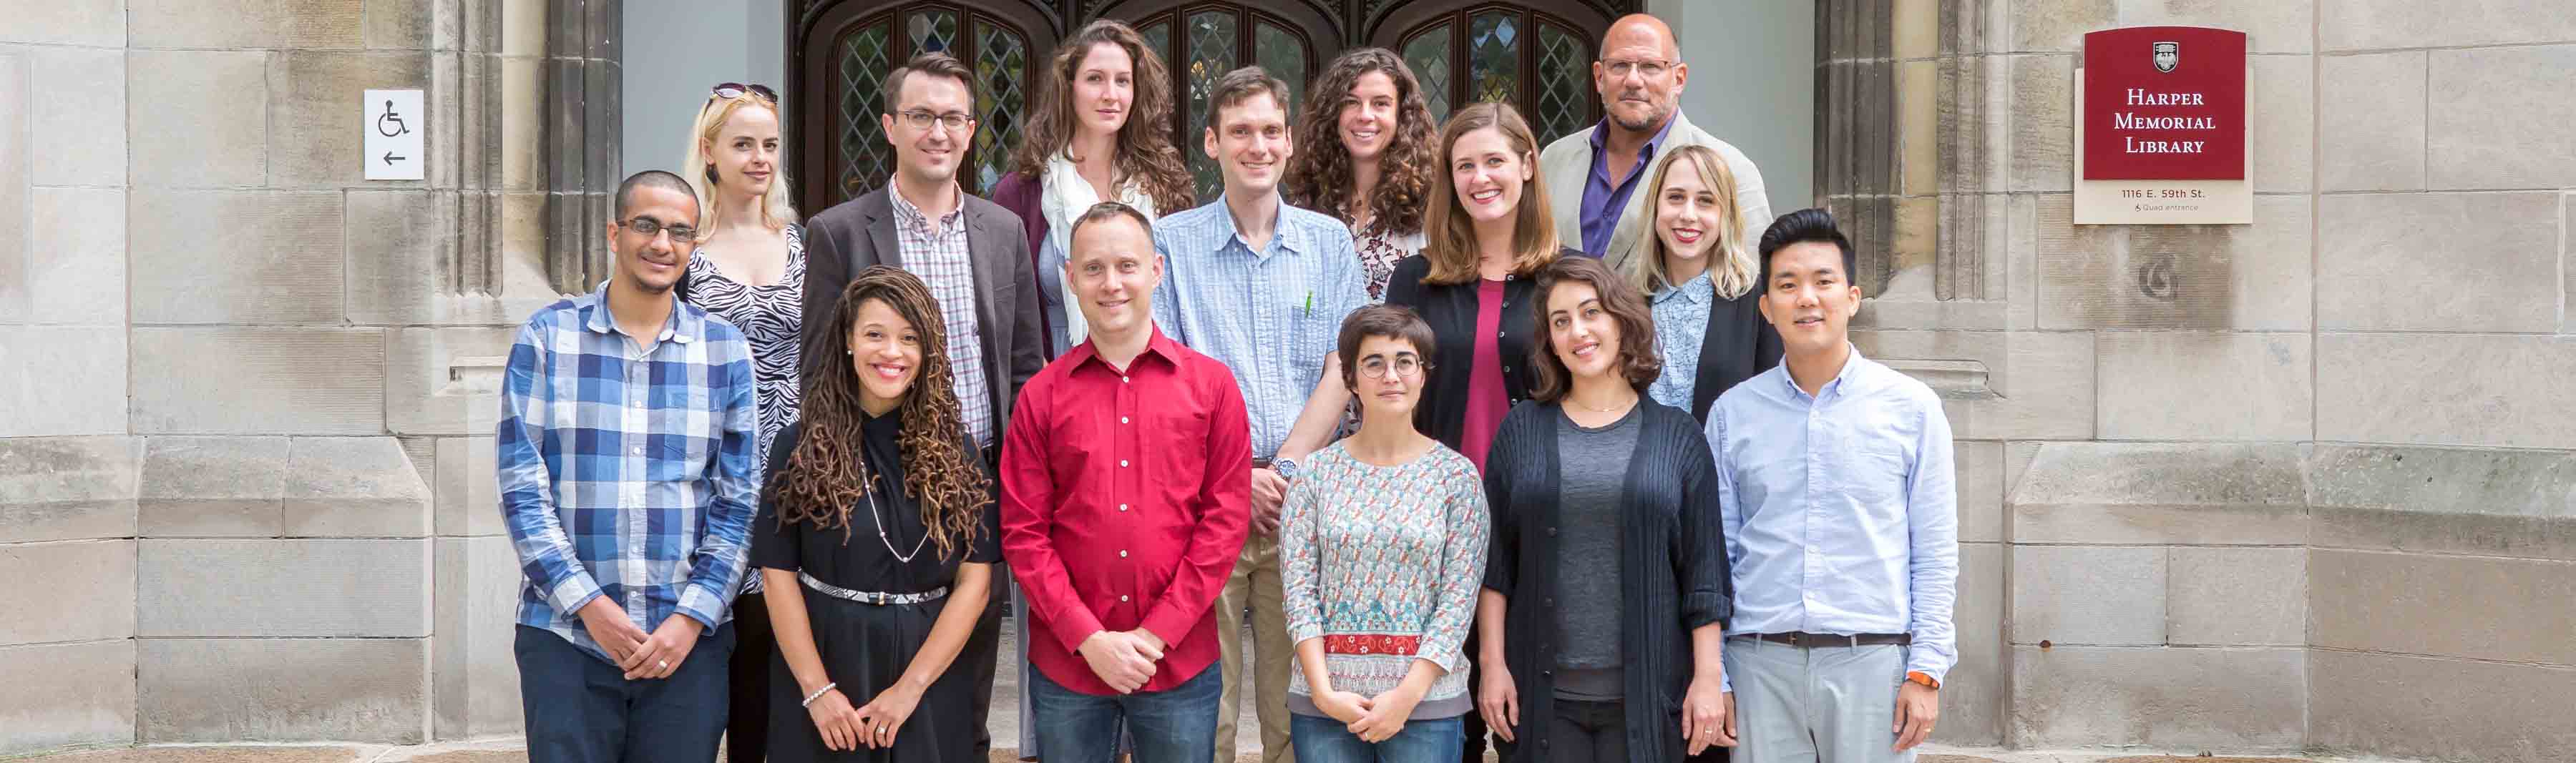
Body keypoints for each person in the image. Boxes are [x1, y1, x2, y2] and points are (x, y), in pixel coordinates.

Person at [798, 51, 1044, 759]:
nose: (938, 132)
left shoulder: (1003, 230)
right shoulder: (840, 231)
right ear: (890, 127)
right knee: (869, 680)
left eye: (953, 118)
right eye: (922, 116)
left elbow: (1024, 366)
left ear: (971, 131)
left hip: (976, 480)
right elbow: (819, 368)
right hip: (874, 482)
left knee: (964, 691)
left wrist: (1019, 480)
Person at [1151, 65, 1373, 763]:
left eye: (1272, 130)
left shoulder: (1328, 243)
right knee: (1203, 707)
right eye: (1241, 131)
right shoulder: (1170, 243)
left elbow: (1345, 367)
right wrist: (1235, 478)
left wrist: (1285, 469)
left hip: (1302, 503)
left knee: (1298, 705)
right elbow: (1164, 377)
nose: (1259, 145)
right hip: (1202, 504)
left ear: (1290, 141)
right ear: (1212, 143)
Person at [498, 169, 758, 762]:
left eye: (679, 231)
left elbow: (739, 501)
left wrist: (691, 618)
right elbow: (522, 490)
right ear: (615, 233)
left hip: (686, 646)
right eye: (646, 225)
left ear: (694, 245)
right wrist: (591, 607)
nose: (662, 243)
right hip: (566, 638)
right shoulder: (547, 338)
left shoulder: (725, 350)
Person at [1002, 201, 1252, 763]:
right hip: (1069, 667)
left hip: (1178, 662)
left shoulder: (1213, 388)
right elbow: (1023, 534)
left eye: (1126, 266)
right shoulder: (1041, 396)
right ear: (1071, 278)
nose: (1111, 283)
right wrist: (1089, 639)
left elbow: (1224, 525)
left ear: (1156, 270)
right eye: (1093, 268)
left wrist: (1157, 633)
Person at [1708, 209, 1958, 763]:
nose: (1807, 298)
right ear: (1766, 307)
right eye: (1787, 285)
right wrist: (1716, 672)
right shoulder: (1732, 415)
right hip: (1759, 666)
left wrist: (1926, 670)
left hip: (1873, 664)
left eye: (1823, 281)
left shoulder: (1912, 409)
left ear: (1852, 297)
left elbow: (1934, 552)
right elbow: (1717, 555)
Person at [1475, 255, 1735, 763]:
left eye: (1591, 312)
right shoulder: (1521, 431)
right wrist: (1492, 664)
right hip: (1542, 700)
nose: (1578, 331)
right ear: (1550, 341)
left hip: (1651, 698)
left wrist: (1708, 678)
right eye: (1561, 321)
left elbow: (1705, 572)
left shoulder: (1678, 436)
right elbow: (1495, 565)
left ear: (1621, 319)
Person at [753, 266, 1000, 763]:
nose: (892, 352)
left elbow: (975, 582)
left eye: (909, 338)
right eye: (874, 334)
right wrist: (817, 691)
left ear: (928, 351)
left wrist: (911, 689)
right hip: (825, 666)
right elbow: (777, 577)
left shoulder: (959, 452)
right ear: (848, 341)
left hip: (930, 673)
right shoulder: (799, 445)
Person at [1278, 305, 1488, 763]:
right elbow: (1298, 593)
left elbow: (1458, 601)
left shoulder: (1457, 477)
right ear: (1352, 379)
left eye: (1404, 362)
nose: (1391, 376)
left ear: (1423, 374)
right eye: (1374, 363)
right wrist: (1323, 692)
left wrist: (1406, 697)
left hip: (1426, 706)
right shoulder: (1315, 474)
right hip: (1326, 706)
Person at [675, 81, 805, 763]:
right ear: (709, 151)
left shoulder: (803, 244)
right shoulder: (683, 252)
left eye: (770, 145)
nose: (760, 158)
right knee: (708, 655)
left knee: (772, 661)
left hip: (792, 472)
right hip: (710, 472)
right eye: (744, 144)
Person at [1384, 102, 1571, 471]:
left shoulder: (1572, 277)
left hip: (1542, 492)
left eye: (1494, 161)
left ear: (1527, 166)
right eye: (1465, 166)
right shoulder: (1414, 278)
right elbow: (1389, 397)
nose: (1480, 178)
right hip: (1434, 491)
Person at [992, 19, 1197, 357]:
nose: (1110, 95)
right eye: (1095, 79)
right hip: (1058, 375)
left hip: (1154, 374)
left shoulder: (1166, 187)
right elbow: (1004, 311)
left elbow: (1187, 300)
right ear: (1069, 86)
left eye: (1123, 81)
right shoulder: (1021, 193)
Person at [1538, 14, 1771, 270]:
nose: (1633, 80)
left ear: (1679, 79)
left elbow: (1753, 278)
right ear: (1599, 76)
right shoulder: (1555, 159)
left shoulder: (1732, 169)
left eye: (1650, 66)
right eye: (1620, 65)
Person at [1627, 144, 1781, 421]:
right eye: (1676, 197)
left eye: (1706, 201)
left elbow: (1776, 410)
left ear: (1725, 215)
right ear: (1655, 207)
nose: (1688, 215)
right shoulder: (1627, 302)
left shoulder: (1760, 302)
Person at [1284, 48, 1440, 300]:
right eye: (1351, 102)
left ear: (1402, 114)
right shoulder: (1306, 202)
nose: (1365, 115)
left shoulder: (1431, 208)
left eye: (1380, 104)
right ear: (1333, 114)